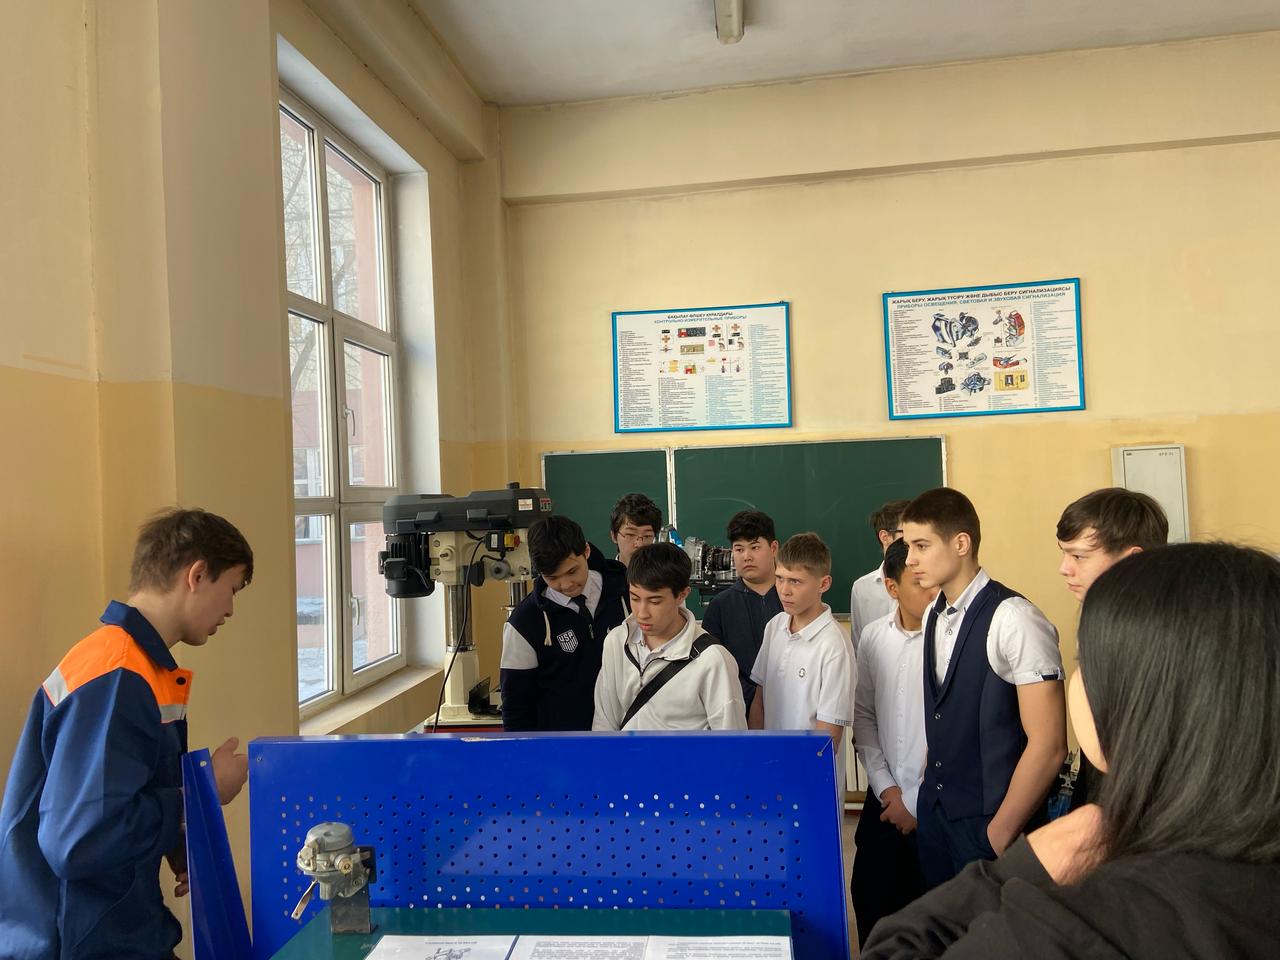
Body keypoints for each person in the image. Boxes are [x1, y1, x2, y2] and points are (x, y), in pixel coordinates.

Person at [863, 543, 1280, 958]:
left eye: (1084, 662)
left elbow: (894, 948)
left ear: (1136, 706)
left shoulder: (1067, 927)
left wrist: (1011, 871)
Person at [0, 508, 253, 960]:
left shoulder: (140, 669)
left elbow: (122, 795)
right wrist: (202, 792)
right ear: (197, 575)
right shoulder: (118, 674)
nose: (231, 609)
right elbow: (79, 840)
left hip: (118, 929)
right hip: (81, 943)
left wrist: (176, 837)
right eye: (231, 589)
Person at [900, 487, 1067, 889]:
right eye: (908, 547)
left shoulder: (1015, 619)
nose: (909, 560)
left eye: (921, 545)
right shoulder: (933, 613)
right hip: (938, 816)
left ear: (961, 544)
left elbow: (1049, 745)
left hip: (990, 825)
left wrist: (998, 834)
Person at [1056, 487, 1168, 807]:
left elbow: (1111, 754)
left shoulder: (1165, 633)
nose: (1064, 568)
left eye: (1079, 556)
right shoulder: (1100, 617)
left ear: (1133, 559)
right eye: (1064, 553)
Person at [849, 538, 935, 946]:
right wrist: (888, 791)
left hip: (934, 803)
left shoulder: (952, 640)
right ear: (891, 587)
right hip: (884, 801)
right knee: (872, 901)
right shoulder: (873, 637)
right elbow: (863, 719)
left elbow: (954, 731)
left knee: (931, 918)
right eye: (918, 582)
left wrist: (913, 802)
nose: (931, 591)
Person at [592, 543, 746, 730]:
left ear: (682, 594)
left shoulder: (713, 660)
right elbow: (604, 723)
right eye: (635, 598)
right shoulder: (616, 641)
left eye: (654, 601)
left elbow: (730, 739)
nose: (642, 613)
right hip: (625, 750)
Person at [749, 533, 856, 797]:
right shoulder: (774, 626)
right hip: (769, 771)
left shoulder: (834, 644)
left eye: (796, 581)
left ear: (824, 584)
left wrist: (796, 784)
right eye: (780, 578)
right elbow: (760, 700)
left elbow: (828, 735)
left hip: (808, 782)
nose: (784, 590)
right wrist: (756, 760)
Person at [500, 515, 629, 731]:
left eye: (572, 571)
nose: (566, 584)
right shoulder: (524, 623)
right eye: (552, 577)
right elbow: (515, 707)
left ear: (586, 551)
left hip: (628, 737)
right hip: (560, 744)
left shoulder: (628, 593)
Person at [700, 510, 784, 711]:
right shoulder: (719, 607)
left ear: (773, 548)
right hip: (739, 710)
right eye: (739, 549)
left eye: (755, 547)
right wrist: (752, 698)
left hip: (792, 707)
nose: (747, 557)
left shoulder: (792, 599)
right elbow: (714, 667)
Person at [849, 499, 910, 651]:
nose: (914, 538)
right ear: (885, 537)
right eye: (907, 531)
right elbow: (858, 644)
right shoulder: (862, 588)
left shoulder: (926, 582)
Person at [608, 492, 662, 565]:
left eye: (647, 536)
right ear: (614, 536)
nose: (640, 544)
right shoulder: (602, 572)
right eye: (630, 535)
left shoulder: (665, 572)